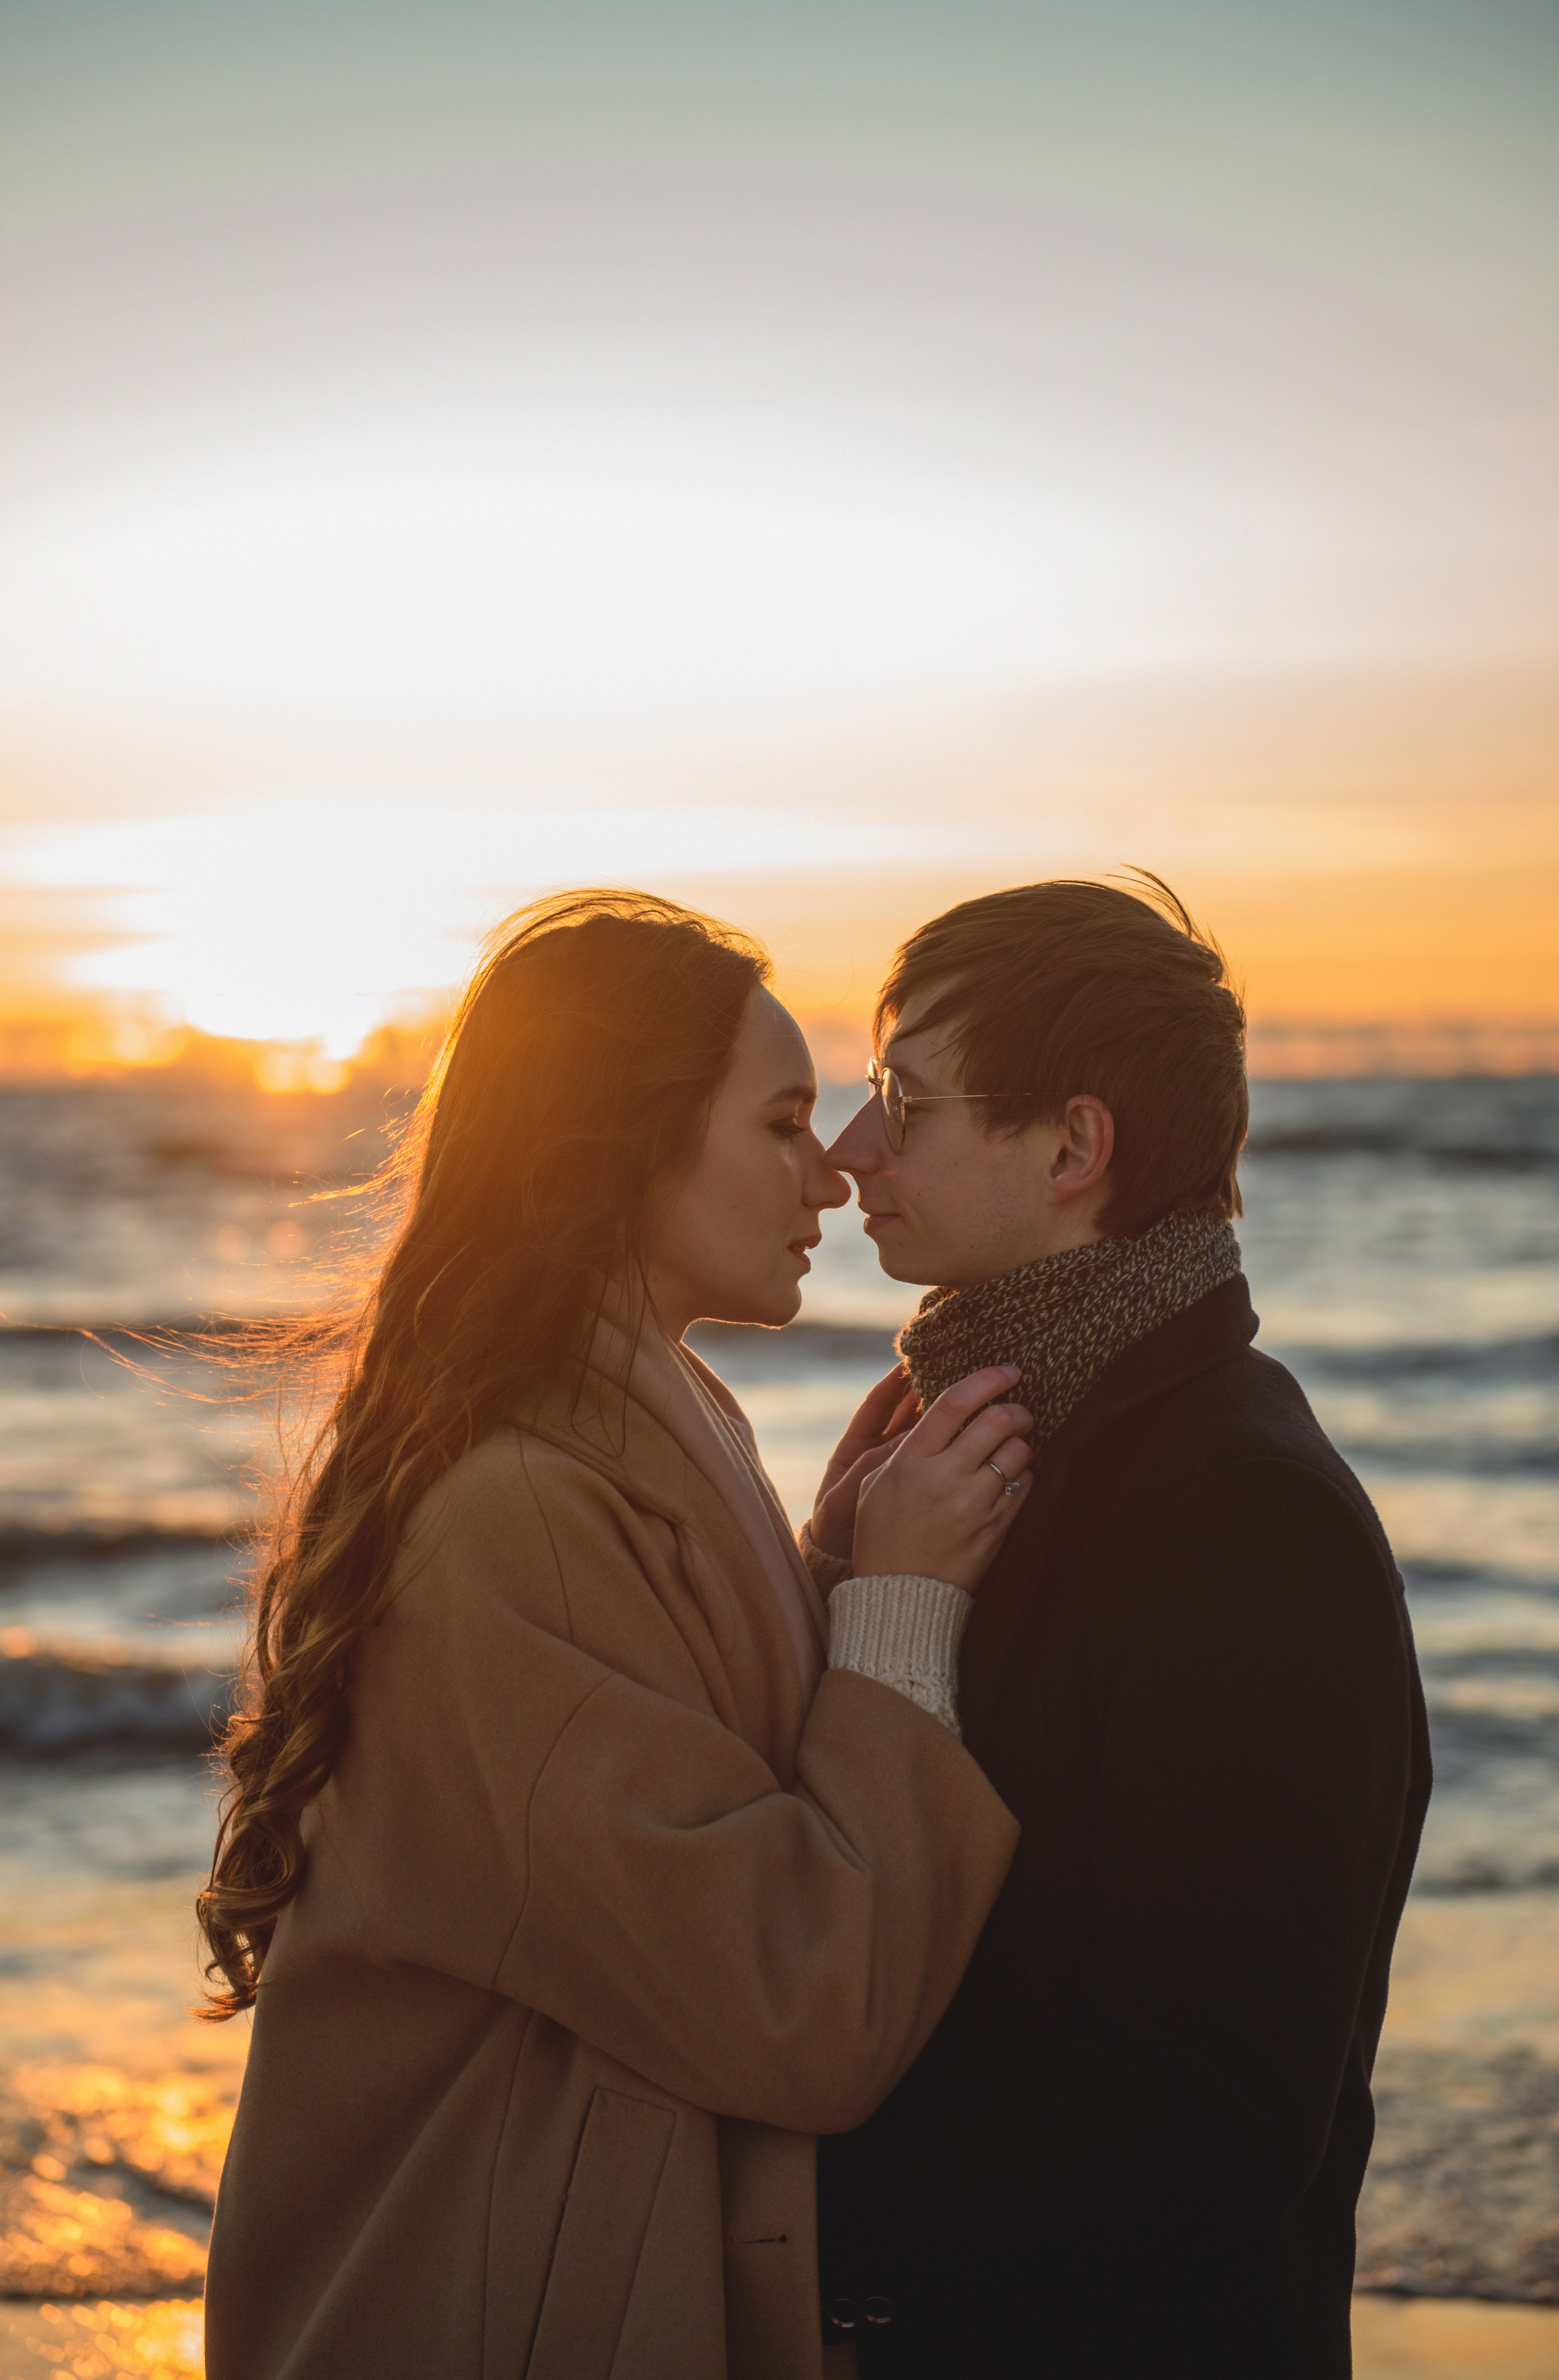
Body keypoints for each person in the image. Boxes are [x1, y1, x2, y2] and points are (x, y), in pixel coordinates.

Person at [198, 890, 1033, 2380]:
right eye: (781, 1122)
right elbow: (798, 2005)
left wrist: (834, 1561)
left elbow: (687, 1792)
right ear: (622, 1143)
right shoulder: (514, 1511)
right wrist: (902, 1611)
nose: (832, 1178)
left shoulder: (649, 1429)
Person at [810, 877, 1431, 2379]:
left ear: (1075, 1147)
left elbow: (1203, 2126)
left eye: (905, 1097)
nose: (849, 1149)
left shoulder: (1238, 1510)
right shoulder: (938, 1422)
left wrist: (769, 2205)